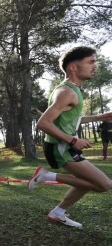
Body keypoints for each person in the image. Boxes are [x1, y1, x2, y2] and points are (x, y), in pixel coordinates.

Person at [29, 46, 112, 228]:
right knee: (104, 184)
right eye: (90, 62)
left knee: (88, 182)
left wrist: (99, 117)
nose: (95, 66)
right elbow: (43, 123)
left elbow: (71, 120)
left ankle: (57, 212)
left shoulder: (71, 90)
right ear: (73, 67)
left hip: (64, 147)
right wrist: (73, 140)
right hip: (61, 148)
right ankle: (46, 175)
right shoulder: (67, 92)